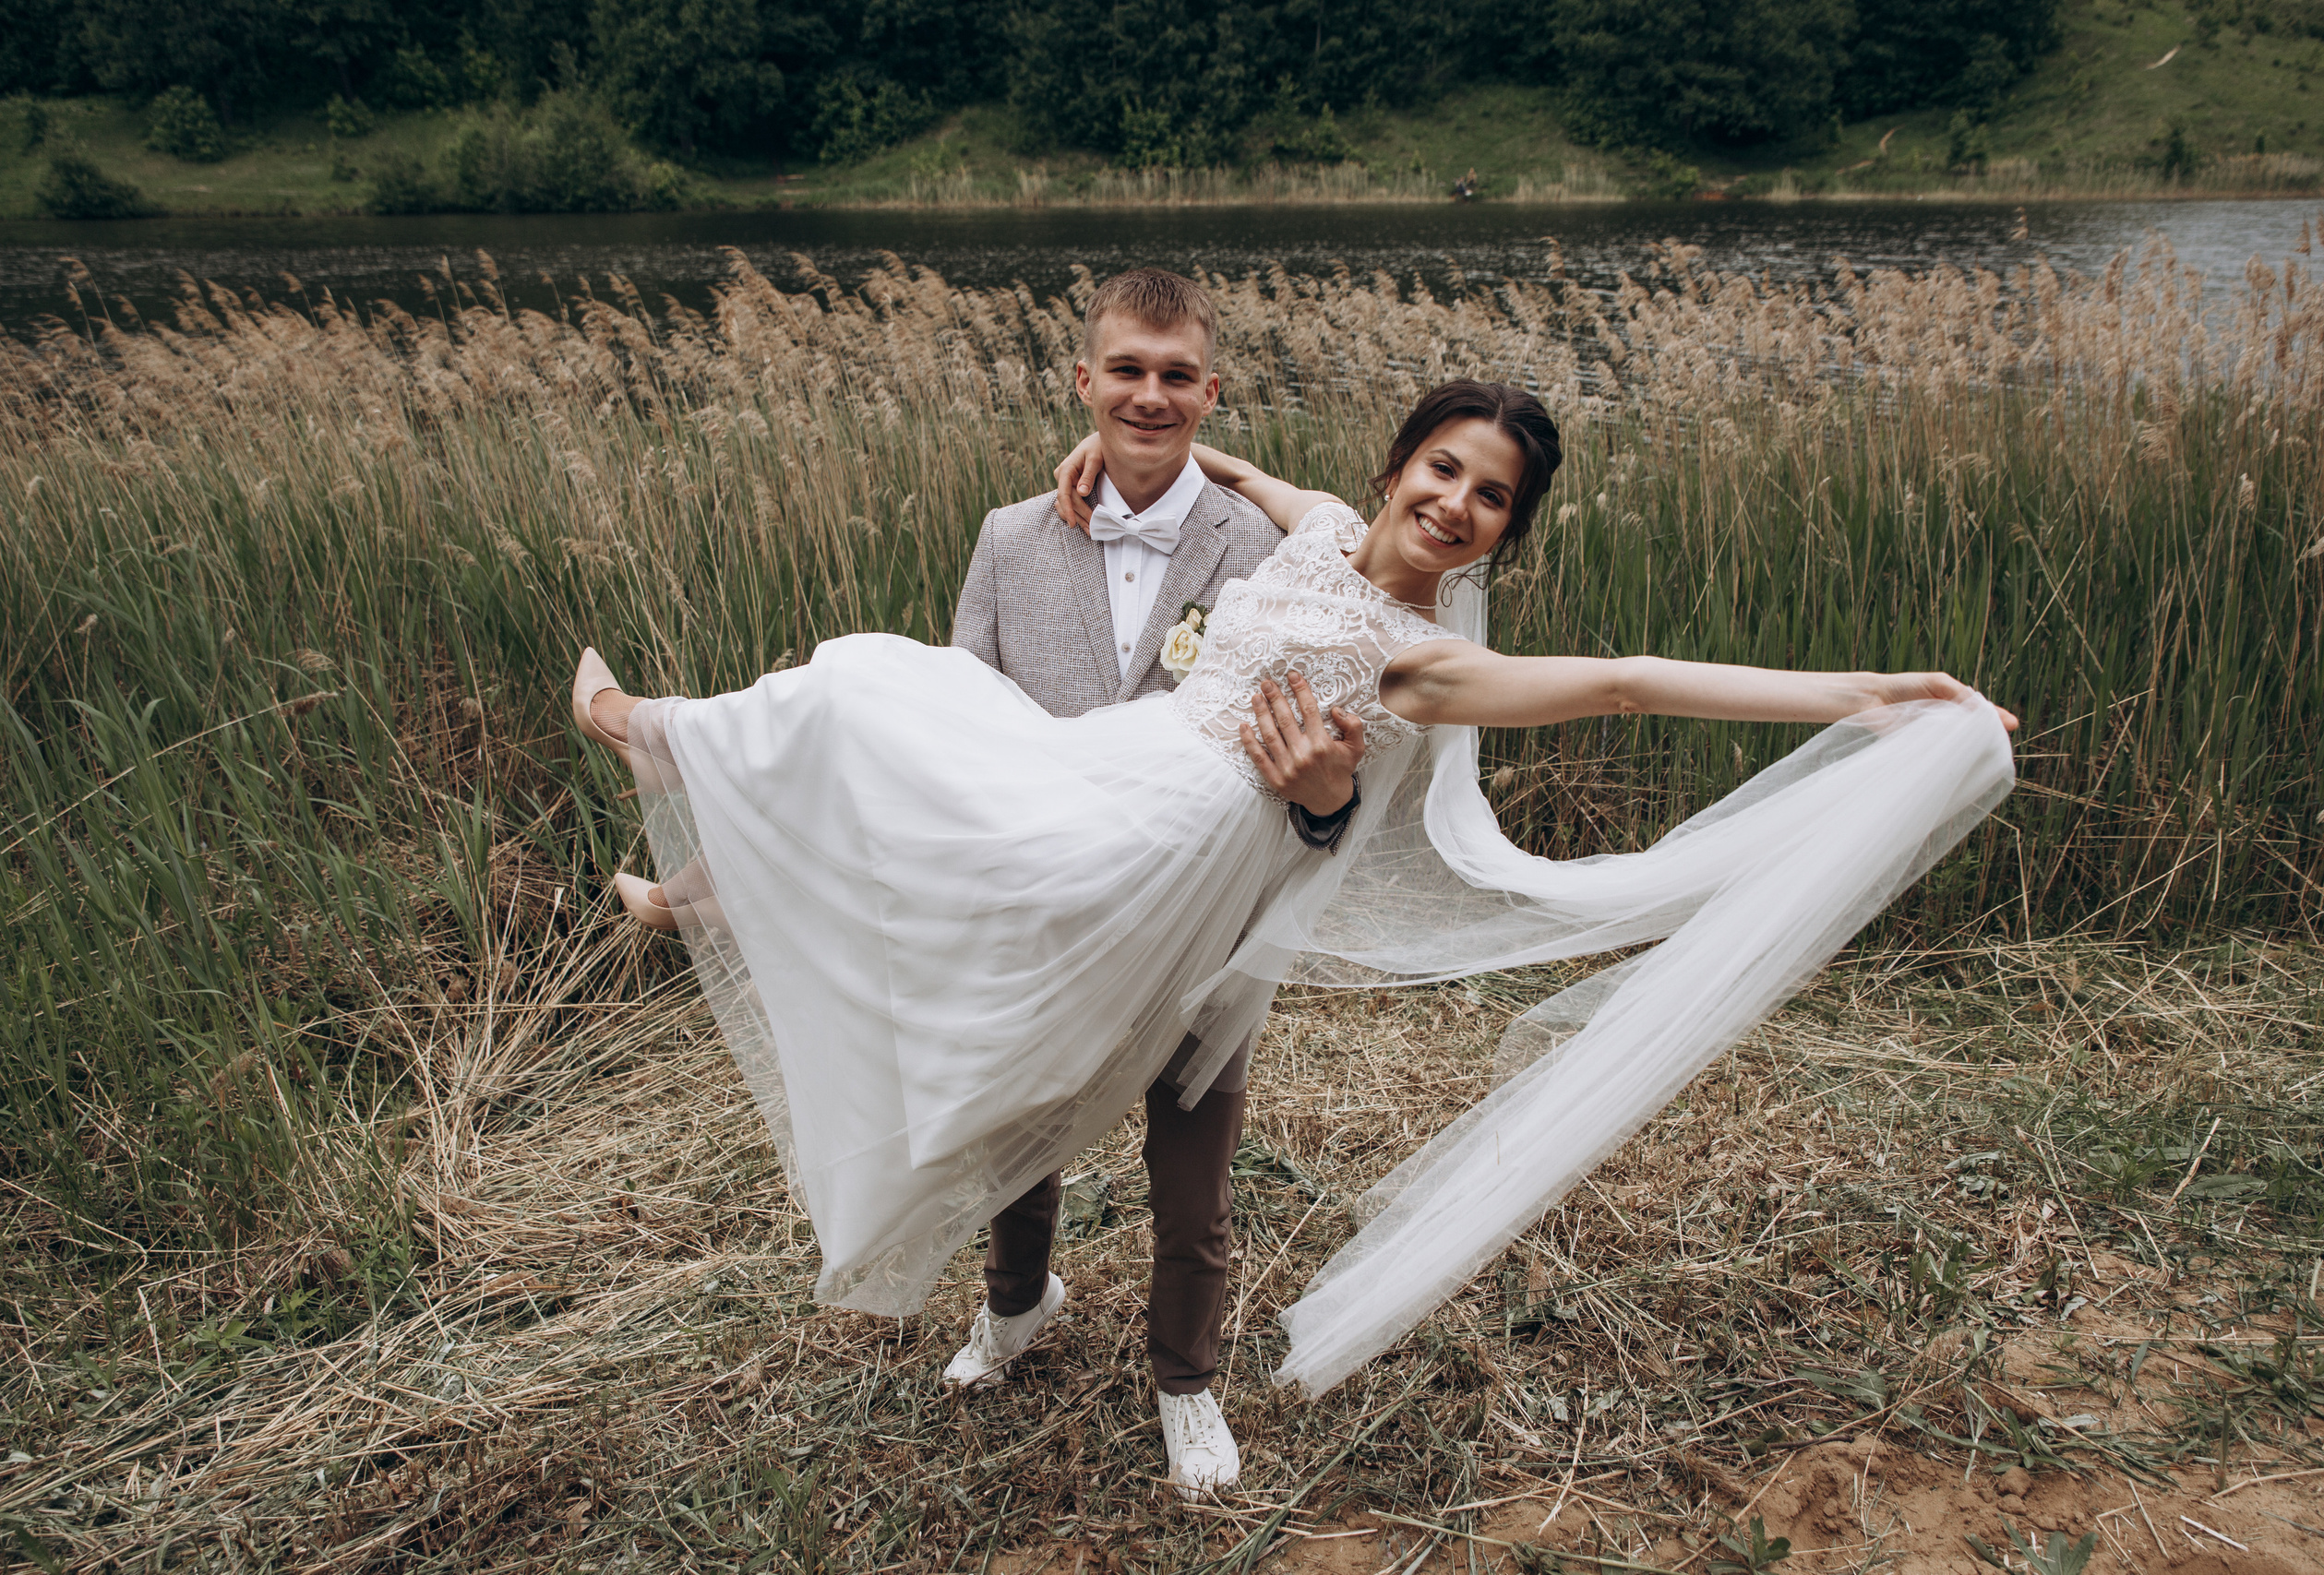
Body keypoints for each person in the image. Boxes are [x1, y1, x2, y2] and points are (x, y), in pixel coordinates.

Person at [569, 378, 2019, 1474]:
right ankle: (669, 762)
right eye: (1444, 467)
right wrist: (1127, 451)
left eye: (1493, 496)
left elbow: (1629, 681)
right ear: (1394, 469)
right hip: (1116, 791)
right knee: (882, 707)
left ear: (1508, 530)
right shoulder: (1317, 525)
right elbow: (1229, 461)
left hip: (1192, 867)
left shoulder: (1428, 661)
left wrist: (1874, 690)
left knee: (1158, 1116)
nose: (1456, 502)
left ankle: (1181, 1380)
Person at [941, 268, 1368, 1497]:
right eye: (1125, 370)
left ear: (1211, 393)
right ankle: (1016, 1309)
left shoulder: (1270, 549)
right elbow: (959, 714)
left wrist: (1323, 807)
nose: (1149, 393)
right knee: (1017, 1147)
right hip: (1051, 914)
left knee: (1194, 1184)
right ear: (1084, 382)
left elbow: (1316, 756)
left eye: (1177, 375)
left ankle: (1186, 1381)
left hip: (1198, 932)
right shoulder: (1009, 537)